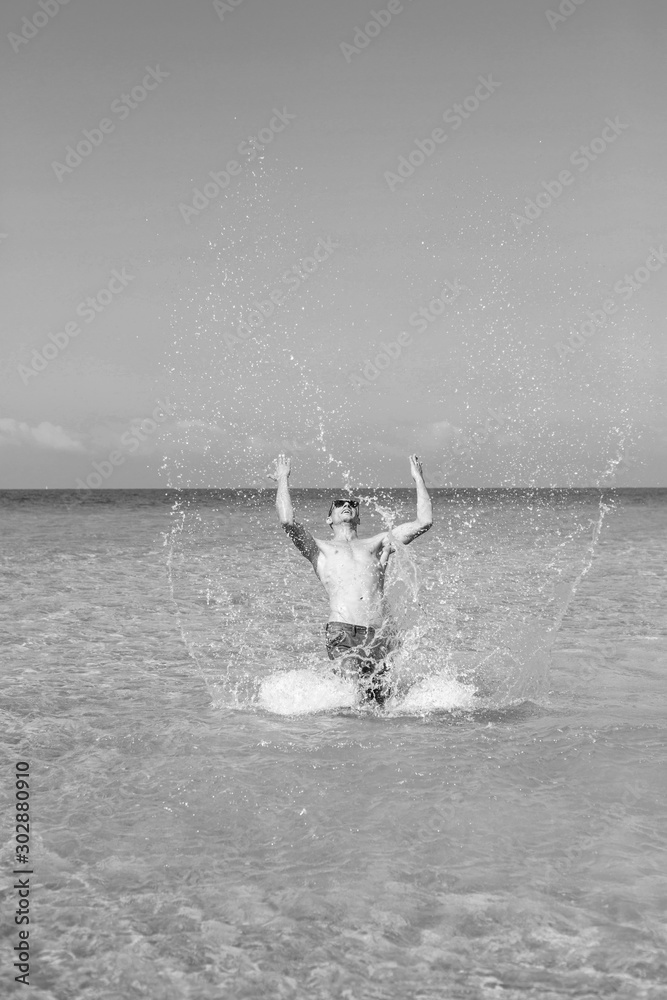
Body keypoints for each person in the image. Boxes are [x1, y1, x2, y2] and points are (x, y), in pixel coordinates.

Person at [268, 453, 433, 706]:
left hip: (378, 635)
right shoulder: (318, 548)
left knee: (381, 705)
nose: (347, 504)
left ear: (359, 517)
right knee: (352, 696)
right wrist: (282, 479)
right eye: (339, 503)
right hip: (342, 633)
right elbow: (287, 521)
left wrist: (418, 478)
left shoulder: (378, 543)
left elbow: (424, 522)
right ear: (329, 518)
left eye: (353, 504)